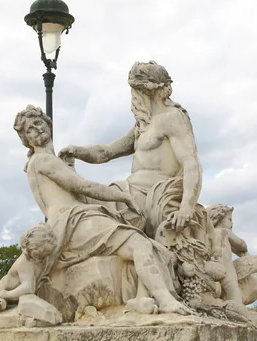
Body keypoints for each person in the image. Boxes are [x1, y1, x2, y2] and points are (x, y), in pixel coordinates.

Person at [12, 105, 192, 315]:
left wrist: (72, 166)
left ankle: (141, 298)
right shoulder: (43, 160)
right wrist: (123, 196)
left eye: (38, 123)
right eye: (30, 129)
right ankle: (165, 300)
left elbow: (76, 193)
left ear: (48, 124)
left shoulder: (44, 162)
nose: (37, 129)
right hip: (76, 221)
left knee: (149, 246)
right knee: (140, 244)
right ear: (26, 139)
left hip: (73, 221)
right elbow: (84, 187)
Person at [58, 61, 204, 239]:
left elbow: (191, 163)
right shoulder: (142, 125)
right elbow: (106, 152)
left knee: (93, 209)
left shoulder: (172, 118)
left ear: (146, 91)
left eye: (135, 91)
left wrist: (186, 208)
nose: (133, 97)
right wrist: (77, 151)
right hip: (130, 191)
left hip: (153, 197)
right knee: (84, 201)